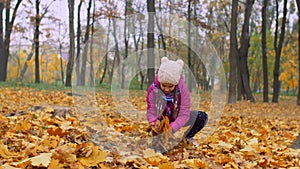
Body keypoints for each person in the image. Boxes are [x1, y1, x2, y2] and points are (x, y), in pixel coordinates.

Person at [146, 57, 208, 147]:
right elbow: (151, 111)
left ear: (176, 83)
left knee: (202, 117)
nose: (166, 89)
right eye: (163, 85)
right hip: (161, 120)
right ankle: (160, 139)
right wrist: (155, 124)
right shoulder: (153, 89)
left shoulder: (183, 91)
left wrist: (172, 128)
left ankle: (187, 137)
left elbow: (184, 114)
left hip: (176, 118)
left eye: (170, 86)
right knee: (158, 146)